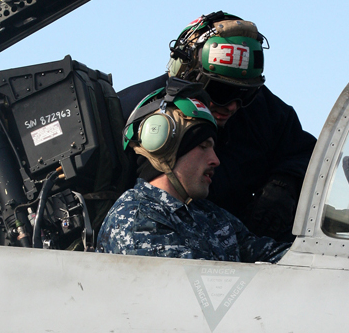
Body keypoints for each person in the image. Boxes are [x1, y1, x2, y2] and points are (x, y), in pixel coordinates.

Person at [118, 11, 316, 242]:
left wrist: (284, 184)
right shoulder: (135, 113)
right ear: (188, 77)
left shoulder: (263, 112)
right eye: (221, 91)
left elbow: (305, 152)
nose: (232, 106)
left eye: (245, 93)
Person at [97, 81, 290, 263]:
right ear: (164, 148)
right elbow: (189, 291)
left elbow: (271, 254)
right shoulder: (137, 220)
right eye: (203, 146)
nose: (215, 160)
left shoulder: (209, 215)